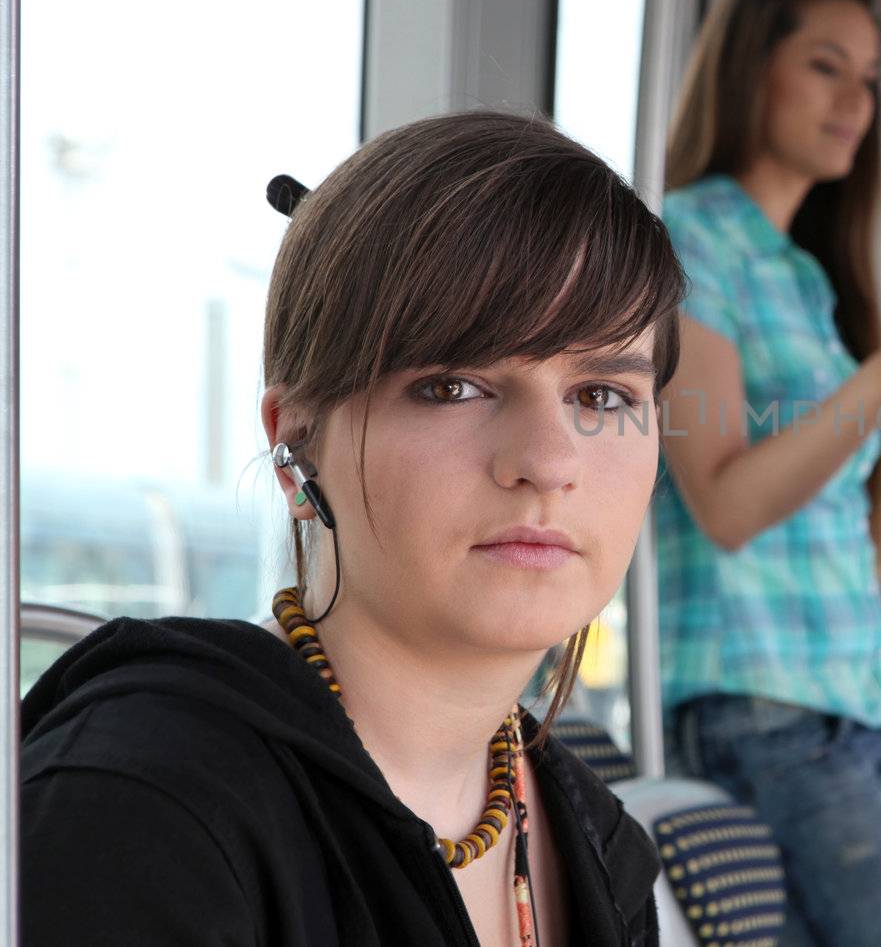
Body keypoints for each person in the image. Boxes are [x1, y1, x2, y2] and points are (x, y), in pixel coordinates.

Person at [21, 111, 682, 946]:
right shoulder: (138, 810)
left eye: (601, 396)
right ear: (297, 439)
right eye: (455, 386)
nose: (548, 461)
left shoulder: (599, 845)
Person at [653, 0, 881, 946]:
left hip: (845, 706)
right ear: (751, 71)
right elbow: (723, 501)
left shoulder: (799, 272)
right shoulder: (689, 240)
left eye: (869, 78)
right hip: (766, 708)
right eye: (824, 67)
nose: (856, 101)